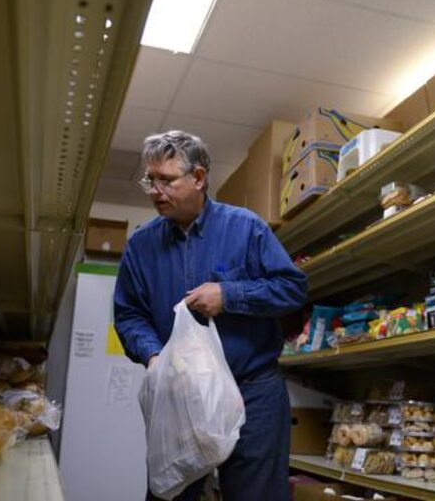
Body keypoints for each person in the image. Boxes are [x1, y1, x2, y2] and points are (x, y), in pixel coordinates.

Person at [113, 130, 308, 501]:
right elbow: (128, 314)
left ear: (199, 178)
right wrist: (153, 357)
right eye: (149, 180)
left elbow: (292, 289)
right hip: (178, 395)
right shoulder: (141, 245)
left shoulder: (246, 228)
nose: (155, 190)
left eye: (166, 180)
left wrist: (229, 294)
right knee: (170, 492)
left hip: (252, 392)